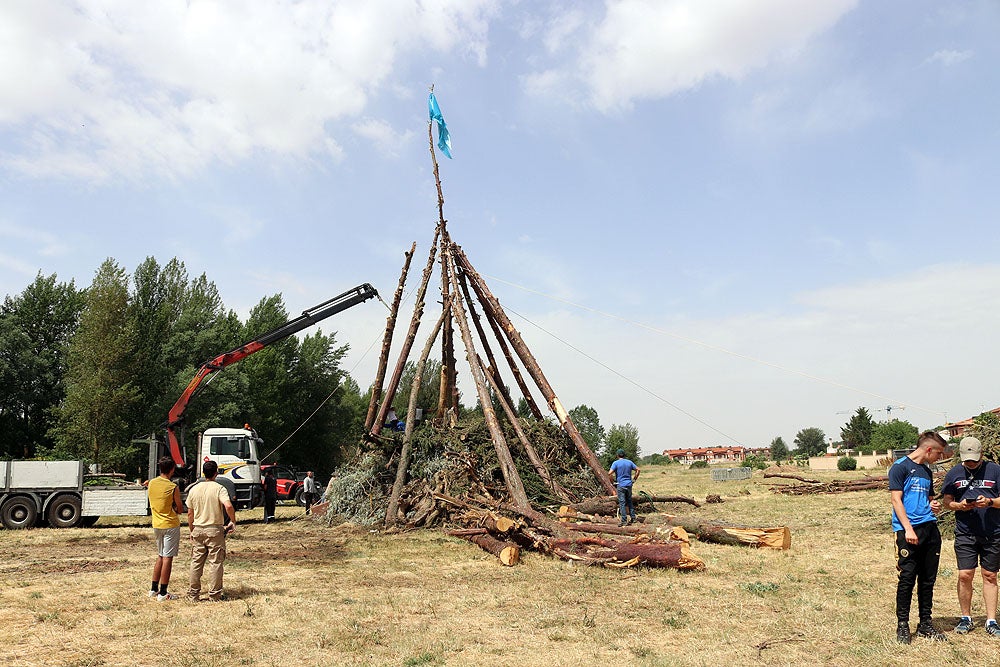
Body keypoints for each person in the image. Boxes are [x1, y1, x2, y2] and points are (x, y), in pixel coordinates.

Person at [890, 430, 948, 643]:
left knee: (928, 579)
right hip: (908, 531)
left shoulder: (926, 471)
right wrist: (908, 529)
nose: (940, 457)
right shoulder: (900, 467)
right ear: (929, 449)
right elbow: (896, 501)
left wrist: (933, 505)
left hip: (930, 529)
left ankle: (925, 624)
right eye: (939, 453)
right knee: (907, 578)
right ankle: (903, 625)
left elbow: (928, 499)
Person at [941, 436, 1000, 637]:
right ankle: (966, 617)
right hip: (965, 532)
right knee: (965, 575)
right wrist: (960, 505)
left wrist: (990, 502)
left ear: (982, 454)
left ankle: (991, 620)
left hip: (992, 532)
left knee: (990, 575)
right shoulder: (954, 473)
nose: (971, 463)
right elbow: (947, 502)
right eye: (967, 460)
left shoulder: (995, 471)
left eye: (974, 459)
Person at [187, 460, 236, 603]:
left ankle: (193, 594)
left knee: (196, 563)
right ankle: (214, 595)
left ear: (203, 472)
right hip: (214, 530)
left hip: (198, 529)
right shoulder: (219, 488)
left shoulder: (194, 489)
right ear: (216, 473)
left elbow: (190, 513)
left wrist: (192, 530)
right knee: (215, 562)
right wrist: (232, 521)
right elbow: (228, 505)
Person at [147, 456, 184, 602]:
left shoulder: (151, 483)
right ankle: (163, 592)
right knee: (168, 557)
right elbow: (180, 509)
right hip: (170, 524)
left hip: (157, 524)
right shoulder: (172, 487)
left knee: (160, 556)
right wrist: (174, 507)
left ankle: (153, 589)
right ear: (172, 469)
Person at [608, 449, 640, 527]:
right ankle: (633, 518)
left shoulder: (616, 463)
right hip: (629, 484)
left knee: (622, 503)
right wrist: (634, 479)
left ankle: (624, 520)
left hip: (621, 485)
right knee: (629, 501)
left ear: (617, 455)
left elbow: (609, 473)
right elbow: (638, 470)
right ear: (624, 455)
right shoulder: (629, 462)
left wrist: (613, 482)